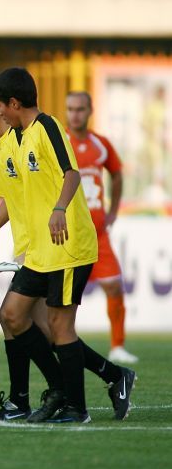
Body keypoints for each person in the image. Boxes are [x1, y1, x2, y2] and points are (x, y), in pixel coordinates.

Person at [0, 72, 136, 422]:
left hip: (66, 244)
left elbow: (70, 173)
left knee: (57, 328)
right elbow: (15, 199)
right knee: (13, 316)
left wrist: (59, 210)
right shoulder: (11, 142)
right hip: (38, 249)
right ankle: (83, 384)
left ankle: (72, 404)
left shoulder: (45, 127)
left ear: (8, 104)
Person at [66, 91, 138, 364]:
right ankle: (62, 341)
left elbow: (117, 174)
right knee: (65, 296)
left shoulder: (101, 144)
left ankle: (117, 346)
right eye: (70, 109)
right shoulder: (61, 143)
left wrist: (113, 211)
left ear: (90, 110)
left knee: (114, 286)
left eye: (80, 109)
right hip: (70, 234)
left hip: (98, 234)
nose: (75, 114)